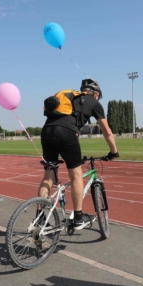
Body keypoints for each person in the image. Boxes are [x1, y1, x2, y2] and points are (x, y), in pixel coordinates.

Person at [38, 78, 119, 230]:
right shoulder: (94, 103)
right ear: (96, 94)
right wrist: (114, 151)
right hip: (66, 133)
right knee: (76, 175)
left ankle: (39, 218)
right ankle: (78, 218)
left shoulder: (70, 97)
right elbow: (107, 132)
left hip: (46, 132)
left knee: (48, 176)